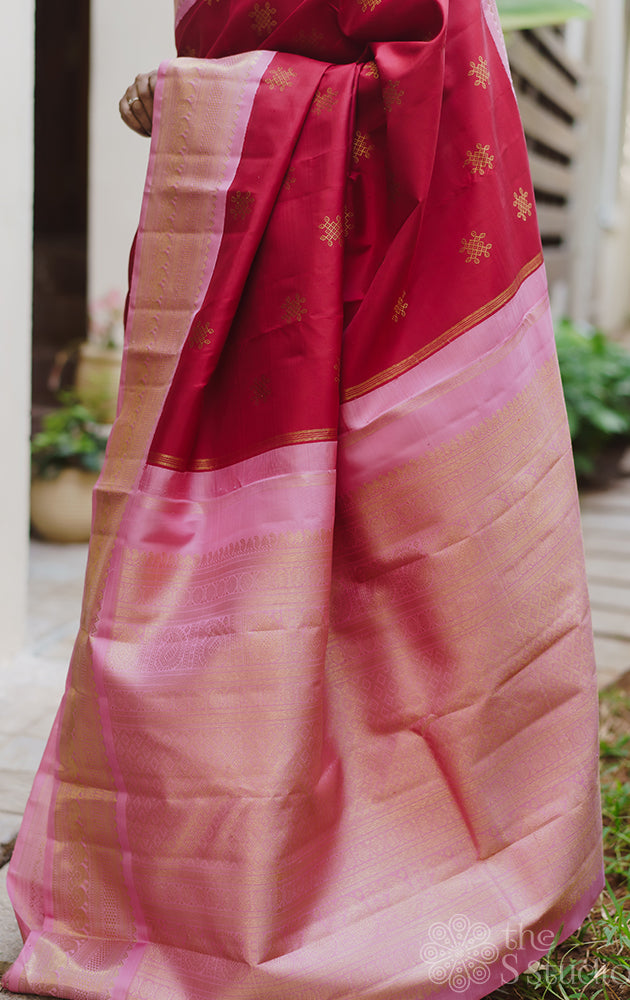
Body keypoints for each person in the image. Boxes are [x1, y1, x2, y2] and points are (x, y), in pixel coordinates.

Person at [3, 1, 603, 997]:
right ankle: (182, 892)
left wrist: (217, 103)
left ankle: (390, 879)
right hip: (240, 322)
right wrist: (204, 107)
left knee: (387, 616)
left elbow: (440, 93)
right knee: (209, 621)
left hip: (383, 336)